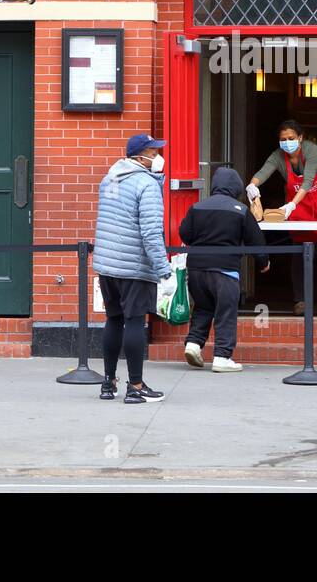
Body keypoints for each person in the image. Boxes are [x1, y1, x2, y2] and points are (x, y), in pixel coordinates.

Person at [93, 133, 173, 404]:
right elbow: (151, 233)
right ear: (140, 157)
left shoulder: (109, 179)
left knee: (114, 320)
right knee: (135, 322)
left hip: (108, 265)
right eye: (153, 152)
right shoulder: (146, 185)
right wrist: (163, 268)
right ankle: (136, 386)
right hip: (134, 266)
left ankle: (108, 382)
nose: (158, 157)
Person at [180, 167, 269, 372]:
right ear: (236, 187)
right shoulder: (240, 210)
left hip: (196, 269)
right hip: (225, 271)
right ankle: (222, 356)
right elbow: (255, 240)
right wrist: (264, 262)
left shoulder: (197, 207)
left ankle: (193, 345)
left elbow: (185, 234)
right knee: (225, 311)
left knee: (203, 307)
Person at [247, 120, 317, 315]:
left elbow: (308, 180)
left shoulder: (311, 150)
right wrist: (252, 186)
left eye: (291, 138)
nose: (287, 142)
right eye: (283, 140)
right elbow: (262, 174)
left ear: (300, 138)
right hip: (298, 210)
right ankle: (300, 300)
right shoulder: (277, 156)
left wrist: (291, 205)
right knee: (298, 253)